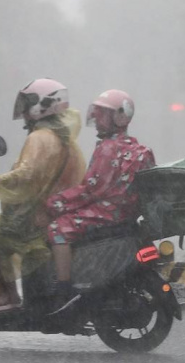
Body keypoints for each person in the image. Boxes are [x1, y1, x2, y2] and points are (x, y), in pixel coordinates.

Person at [0, 78, 86, 313]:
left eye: (28, 103)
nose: (24, 110)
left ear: (44, 104)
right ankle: (10, 295)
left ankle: (0, 294)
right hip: (51, 216)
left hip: (33, 222)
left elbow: (25, 176)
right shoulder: (63, 138)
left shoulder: (40, 138)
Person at [45, 89, 155, 314]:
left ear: (120, 116)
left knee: (57, 228)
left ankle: (63, 289)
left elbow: (91, 190)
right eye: (97, 114)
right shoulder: (133, 147)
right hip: (124, 213)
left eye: (103, 114)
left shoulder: (107, 148)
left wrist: (56, 202)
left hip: (106, 212)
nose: (96, 120)